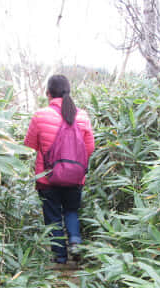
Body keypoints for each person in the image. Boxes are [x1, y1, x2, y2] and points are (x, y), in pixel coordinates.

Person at [24, 74, 95, 264]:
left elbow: (30, 144)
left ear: (48, 93)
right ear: (68, 91)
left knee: (53, 217)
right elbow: (89, 148)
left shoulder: (40, 116)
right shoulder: (82, 116)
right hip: (75, 177)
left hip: (48, 178)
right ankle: (75, 241)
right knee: (71, 211)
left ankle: (60, 258)